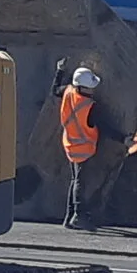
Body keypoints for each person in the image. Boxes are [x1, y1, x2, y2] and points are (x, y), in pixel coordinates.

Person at [58, 65, 101, 228]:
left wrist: (60, 71)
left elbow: (56, 89)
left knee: (75, 180)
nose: (93, 91)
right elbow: (104, 125)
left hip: (69, 143)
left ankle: (69, 217)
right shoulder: (90, 106)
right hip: (84, 148)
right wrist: (122, 139)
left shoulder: (68, 92)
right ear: (83, 87)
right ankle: (79, 216)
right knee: (80, 182)